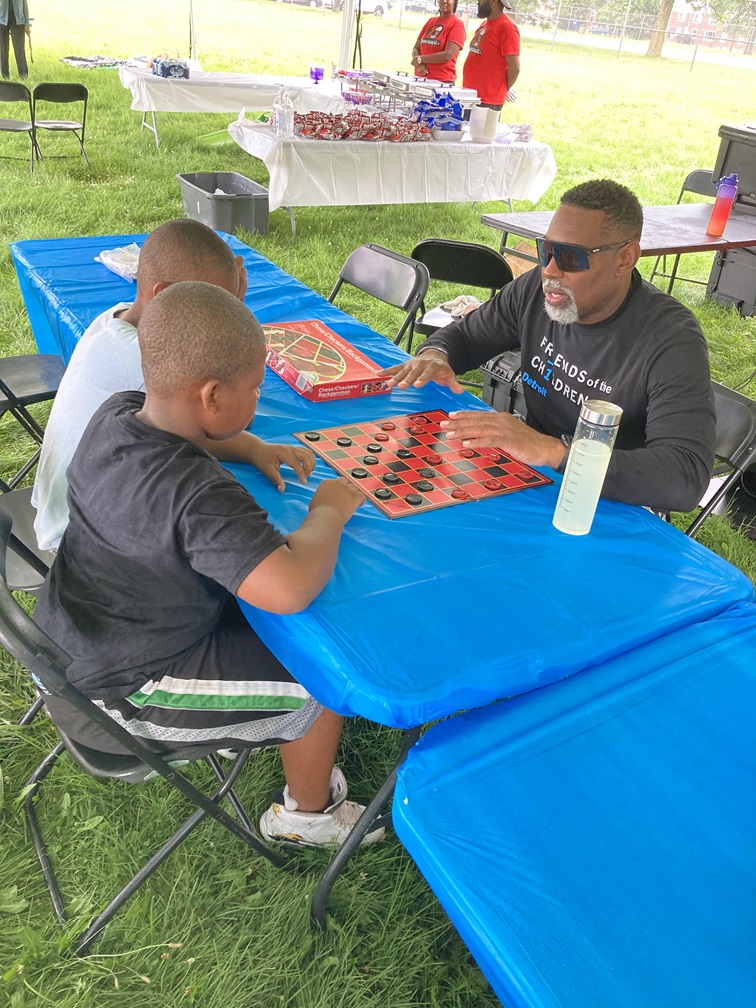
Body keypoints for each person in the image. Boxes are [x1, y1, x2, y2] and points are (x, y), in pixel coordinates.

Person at [33, 281, 381, 849]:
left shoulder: (118, 413)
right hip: (121, 699)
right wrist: (329, 511)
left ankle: (245, 728)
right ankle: (307, 816)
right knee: (324, 671)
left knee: (275, 628)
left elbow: (192, 434)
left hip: (70, 644)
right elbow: (290, 585)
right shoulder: (197, 494)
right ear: (213, 397)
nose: (260, 395)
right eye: (256, 386)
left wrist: (249, 447)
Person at [380, 179, 716, 515]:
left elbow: (684, 476)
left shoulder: (671, 339)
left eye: (571, 257)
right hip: (531, 472)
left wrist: (554, 451)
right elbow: (467, 337)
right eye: (547, 250)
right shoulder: (534, 292)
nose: (550, 270)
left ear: (625, 259)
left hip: (612, 502)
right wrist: (436, 355)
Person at [33, 218, 309, 552]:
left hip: (70, 506)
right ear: (164, 295)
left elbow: (188, 426)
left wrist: (252, 449)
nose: (225, 317)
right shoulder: (145, 361)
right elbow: (222, 415)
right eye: (213, 303)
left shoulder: (118, 317)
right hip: (79, 536)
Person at [462, 0, 520, 110]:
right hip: (471, 97)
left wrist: (501, 89)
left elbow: (515, 68)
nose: (478, 2)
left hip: (487, 102)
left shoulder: (507, 27)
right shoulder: (485, 24)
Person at [410, 0, 466, 84]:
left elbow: (447, 55)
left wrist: (420, 59)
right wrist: (419, 64)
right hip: (420, 79)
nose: (444, 1)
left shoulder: (457, 24)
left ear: (454, 2)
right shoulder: (431, 21)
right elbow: (416, 48)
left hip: (442, 83)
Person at [0, 0, 30, 79]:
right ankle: (5, 75)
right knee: (3, 49)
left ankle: (23, 75)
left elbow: (24, 4)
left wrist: (27, 24)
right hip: (1, 20)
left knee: (19, 49)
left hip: (18, 20)